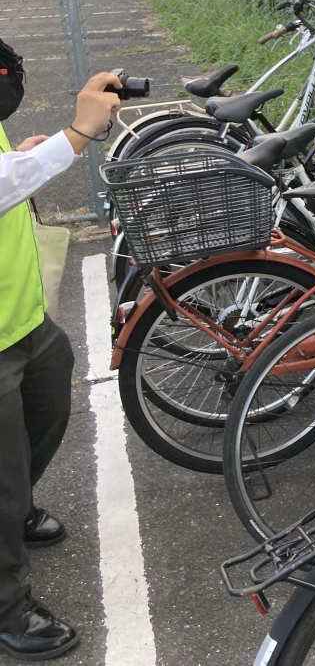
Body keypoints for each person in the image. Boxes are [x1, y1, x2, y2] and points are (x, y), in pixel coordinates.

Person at [0, 61, 122, 661]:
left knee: (49, 393)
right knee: (0, 473)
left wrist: (27, 160)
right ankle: (6, 606)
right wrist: (74, 137)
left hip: (19, 316)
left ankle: (15, 511)